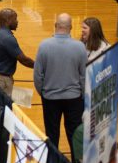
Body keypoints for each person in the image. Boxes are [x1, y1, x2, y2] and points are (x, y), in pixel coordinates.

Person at [33, 13, 87, 153]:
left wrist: (43, 92)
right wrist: (81, 93)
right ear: (70, 27)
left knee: (52, 134)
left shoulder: (44, 46)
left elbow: (38, 75)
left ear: (56, 26)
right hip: (74, 99)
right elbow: (84, 76)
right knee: (75, 135)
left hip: (50, 98)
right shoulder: (80, 47)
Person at [0, 8, 34, 97]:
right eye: (15, 19)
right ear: (8, 20)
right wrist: (40, 66)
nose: (17, 22)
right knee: (5, 107)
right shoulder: (7, 38)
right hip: (2, 80)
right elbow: (23, 60)